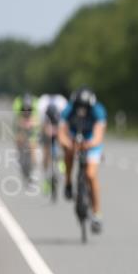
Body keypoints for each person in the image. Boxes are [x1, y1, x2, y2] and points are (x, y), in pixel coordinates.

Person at [59, 88, 107, 233]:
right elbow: (61, 132)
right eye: (79, 107)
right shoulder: (68, 110)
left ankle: (97, 213)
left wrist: (89, 144)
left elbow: (99, 135)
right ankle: (68, 182)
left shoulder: (98, 110)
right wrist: (68, 144)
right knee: (67, 153)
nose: (81, 110)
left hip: (91, 141)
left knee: (91, 175)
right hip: (74, 138)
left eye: (85, 107)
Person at [37, 92, 68, 192]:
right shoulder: (42, 106)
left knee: (63, 141)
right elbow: (41, 125)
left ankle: (62, 160)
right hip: (45, 126)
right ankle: (46, 177)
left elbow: (65, 126)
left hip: (59, 125)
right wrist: (46, 132)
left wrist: (60, 134)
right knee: (46, 150)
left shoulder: (62, 105)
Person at [11, 92, 39, 181]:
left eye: (28, 110)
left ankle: (33, 170)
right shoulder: (17, 104)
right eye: (25, 110)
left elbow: (37, 120)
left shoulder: (35, 105)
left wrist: (32, 124)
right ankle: (18, 156)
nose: (27, 112)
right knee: (19, 138)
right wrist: (23, 124)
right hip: (21, 128)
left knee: (33, 147)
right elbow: (17, 120)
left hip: (32, 130)